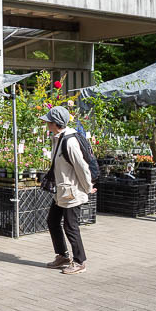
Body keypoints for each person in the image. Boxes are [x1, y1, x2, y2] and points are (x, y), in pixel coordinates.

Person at [41, 106, 95, 275]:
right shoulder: (59, 138)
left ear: (55, 123)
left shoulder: (69, 141)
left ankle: (80, 262)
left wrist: (88, 187)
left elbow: (82, 167)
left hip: (73, 191)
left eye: (48, 121)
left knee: (71, 226)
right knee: (53, 221)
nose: (46, 124)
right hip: (62, 191)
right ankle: (63, 256)